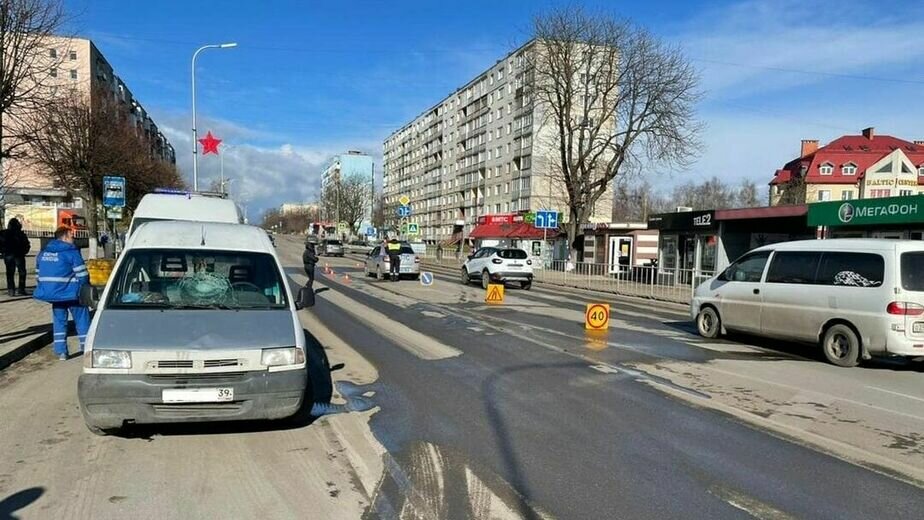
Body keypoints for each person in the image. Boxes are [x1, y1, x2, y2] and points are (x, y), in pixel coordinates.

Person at [34, 226, 90, 361]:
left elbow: (38, 275)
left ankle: (61, 352)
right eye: (72, 236)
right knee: (82, 319)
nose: (74, 239)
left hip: (54, 296)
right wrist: (85, 288)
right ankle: (87, 348)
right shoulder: (71, 252)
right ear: (64, 237)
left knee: (59, 322)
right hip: (72, 295)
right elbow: (82, 275)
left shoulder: (43, 253)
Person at [2, 218, 31, 296]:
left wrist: (3, 252)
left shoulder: (4, 233)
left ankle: (11, 290)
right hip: (19, 255)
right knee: (22, 272)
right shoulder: (20, 233)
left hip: (9, 255)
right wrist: (24, 252)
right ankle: (21, 289)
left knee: (10, 273)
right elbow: (27, 244)